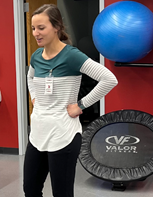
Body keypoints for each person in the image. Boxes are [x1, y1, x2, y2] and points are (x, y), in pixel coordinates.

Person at [24, 4, 118, 197]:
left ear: (56, 27)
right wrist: (34, 97)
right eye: (33, 28)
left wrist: (81, 105)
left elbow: (109, 79)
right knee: (30, 189)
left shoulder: (72, 56)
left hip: (63, 134)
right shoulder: (36, 57)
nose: (36, 33)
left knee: (62, 193)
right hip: (38, 133)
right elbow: (30, 78)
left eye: (41, 28)